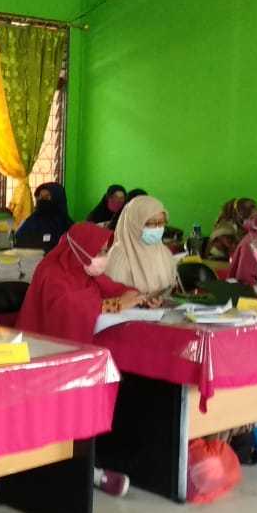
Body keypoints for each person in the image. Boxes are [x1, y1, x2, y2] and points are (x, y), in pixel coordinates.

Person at [16, 222, 142, 497]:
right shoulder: (52, 272)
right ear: (82, 249)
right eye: (100, 251)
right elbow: (69, 308)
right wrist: (114, 305)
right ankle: (80, 468)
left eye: (106, 251)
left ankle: (90, 461)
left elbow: (114, 289)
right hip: (46, 354)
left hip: (80, 351)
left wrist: (139, 297)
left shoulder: (83, 270)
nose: (104, 257)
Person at [105, 195, 180, 298]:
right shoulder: (119, 255)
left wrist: (161, 298)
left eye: (161, 222)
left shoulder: (163, 252)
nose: (157, 228)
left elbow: (171, 287)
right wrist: (144, 300)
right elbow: (114, 297)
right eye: (151, 223)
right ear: (134, 224)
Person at [15, 182, 73, 253]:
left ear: (57, 199)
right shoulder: (32, 220)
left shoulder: (66, 226)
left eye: (46, 197)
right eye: (40, 197)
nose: (42, 200)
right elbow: (17, 241)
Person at [205, 197, 257, 261]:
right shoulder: (225, 231)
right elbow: (240, 253)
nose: (256, 222)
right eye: (252, 218)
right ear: (241, 217)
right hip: (217, 264)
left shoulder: (239, 228)